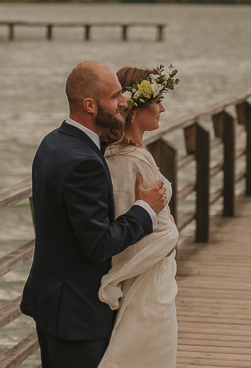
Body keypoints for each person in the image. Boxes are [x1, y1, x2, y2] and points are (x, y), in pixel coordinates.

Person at [20, 61, 167, 368]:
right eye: (115, 96)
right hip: (77, 314)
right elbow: (98, 243)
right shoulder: (84, 163)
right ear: (90, 104)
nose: (124, 102)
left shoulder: (52, 143)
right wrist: (144, 209)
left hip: (51, 300)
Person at [97, 65, 181, 368]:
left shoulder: (121, 154)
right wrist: (170, 237)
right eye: (156, 100)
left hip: (153, 273)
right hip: (149, 279)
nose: (162, 108)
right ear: (133, 110)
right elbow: (125, 220)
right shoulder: (130, 160)